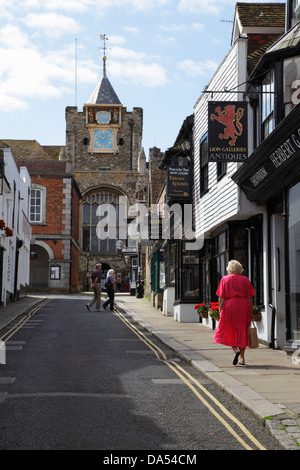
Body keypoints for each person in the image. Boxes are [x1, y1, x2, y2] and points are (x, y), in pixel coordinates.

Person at [213, 260, 255, 366]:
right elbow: (250, 298)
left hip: (230, 306)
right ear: (240, 269)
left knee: (230, 330)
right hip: (243, 306)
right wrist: (251, 311)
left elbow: (221, 298)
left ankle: (235, 350)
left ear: (229, 269)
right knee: (243, 331)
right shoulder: (245, 280)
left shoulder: (225, 279)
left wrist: (220, 310)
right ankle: (242, 358)